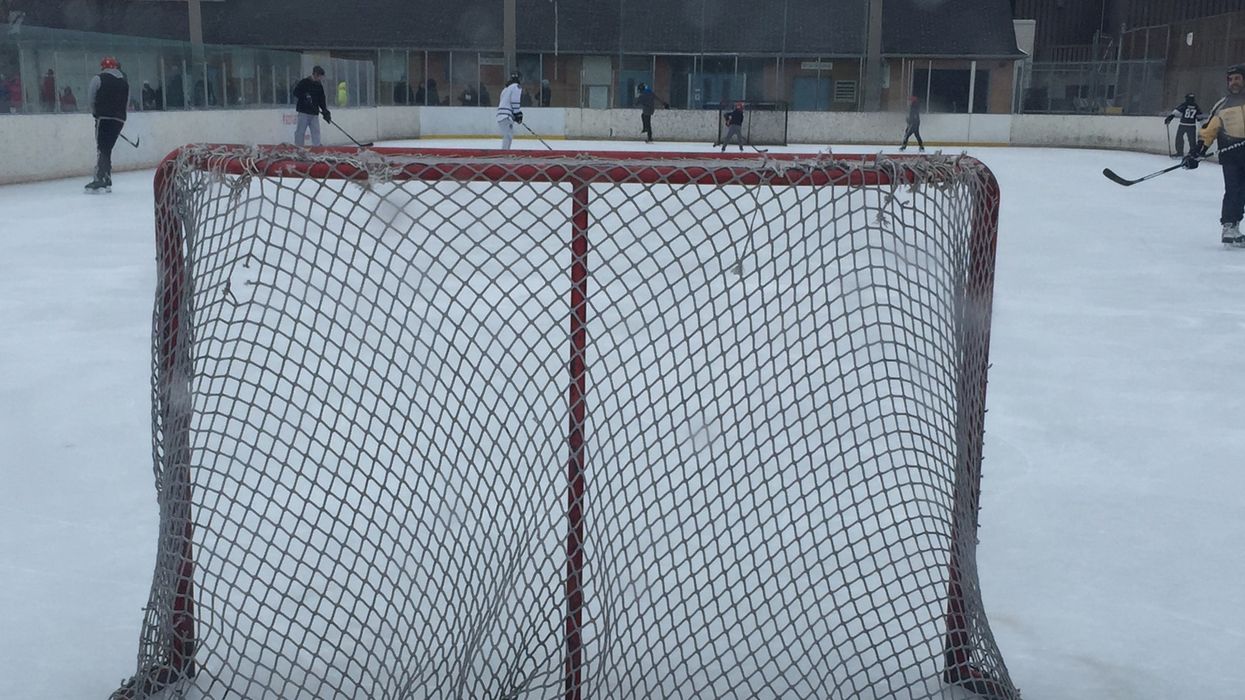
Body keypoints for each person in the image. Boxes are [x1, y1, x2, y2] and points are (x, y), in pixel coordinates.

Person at [1186, 64, 1245, 245]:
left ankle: (1234, 226)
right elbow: (1209, 131)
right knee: (1233, 190)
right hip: (1232, 155)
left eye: (1237, 78)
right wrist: (1197, 151)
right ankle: (1229, 226)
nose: (1233, 82)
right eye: (1230, 79)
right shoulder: (1222, 105)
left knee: (1242, 192)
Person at [86, 56, 130, 193]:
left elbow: (91, 98)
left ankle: (100, 178)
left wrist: (95, 112)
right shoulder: (124, 82)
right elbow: (126, 102)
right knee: (107, 148)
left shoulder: (98, 78)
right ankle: (107, 177)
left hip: (103, 117)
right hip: (119, 119)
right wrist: (120, 116)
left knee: (102, 148)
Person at [291, 65, 331, 146]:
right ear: (315, 74)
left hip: (314, 113)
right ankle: (299, 147)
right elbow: (295, 92)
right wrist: (304, 96)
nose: (321, 78)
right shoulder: (304, 82)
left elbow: (321, 100)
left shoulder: (319, 86)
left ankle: (317, 147)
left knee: (316, 131)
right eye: (320, 76)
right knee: (300, 131)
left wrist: (325, 111)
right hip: (304, 112)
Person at [1165, 93, 1205, 158]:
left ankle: (1180, 152)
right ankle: (1192, 153)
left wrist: (1170, 118)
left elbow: (1176, 112)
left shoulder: (1185, 104)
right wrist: (1203, 125)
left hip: (1183, 125)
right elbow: (1200, 117)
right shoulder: (1196, 106)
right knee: (1192, 141)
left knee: (1179, 138)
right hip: (1192, 126)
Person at [496, 73, 523, 150]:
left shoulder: (506, 89)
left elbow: (503, 101)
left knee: (508, 135)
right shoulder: (516, 87)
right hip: (506, 116)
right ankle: (505, 154)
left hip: (501, 115)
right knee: (508, 136)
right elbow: (515, 100)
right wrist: (517, 113)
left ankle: (505, 153)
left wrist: (514, 114)